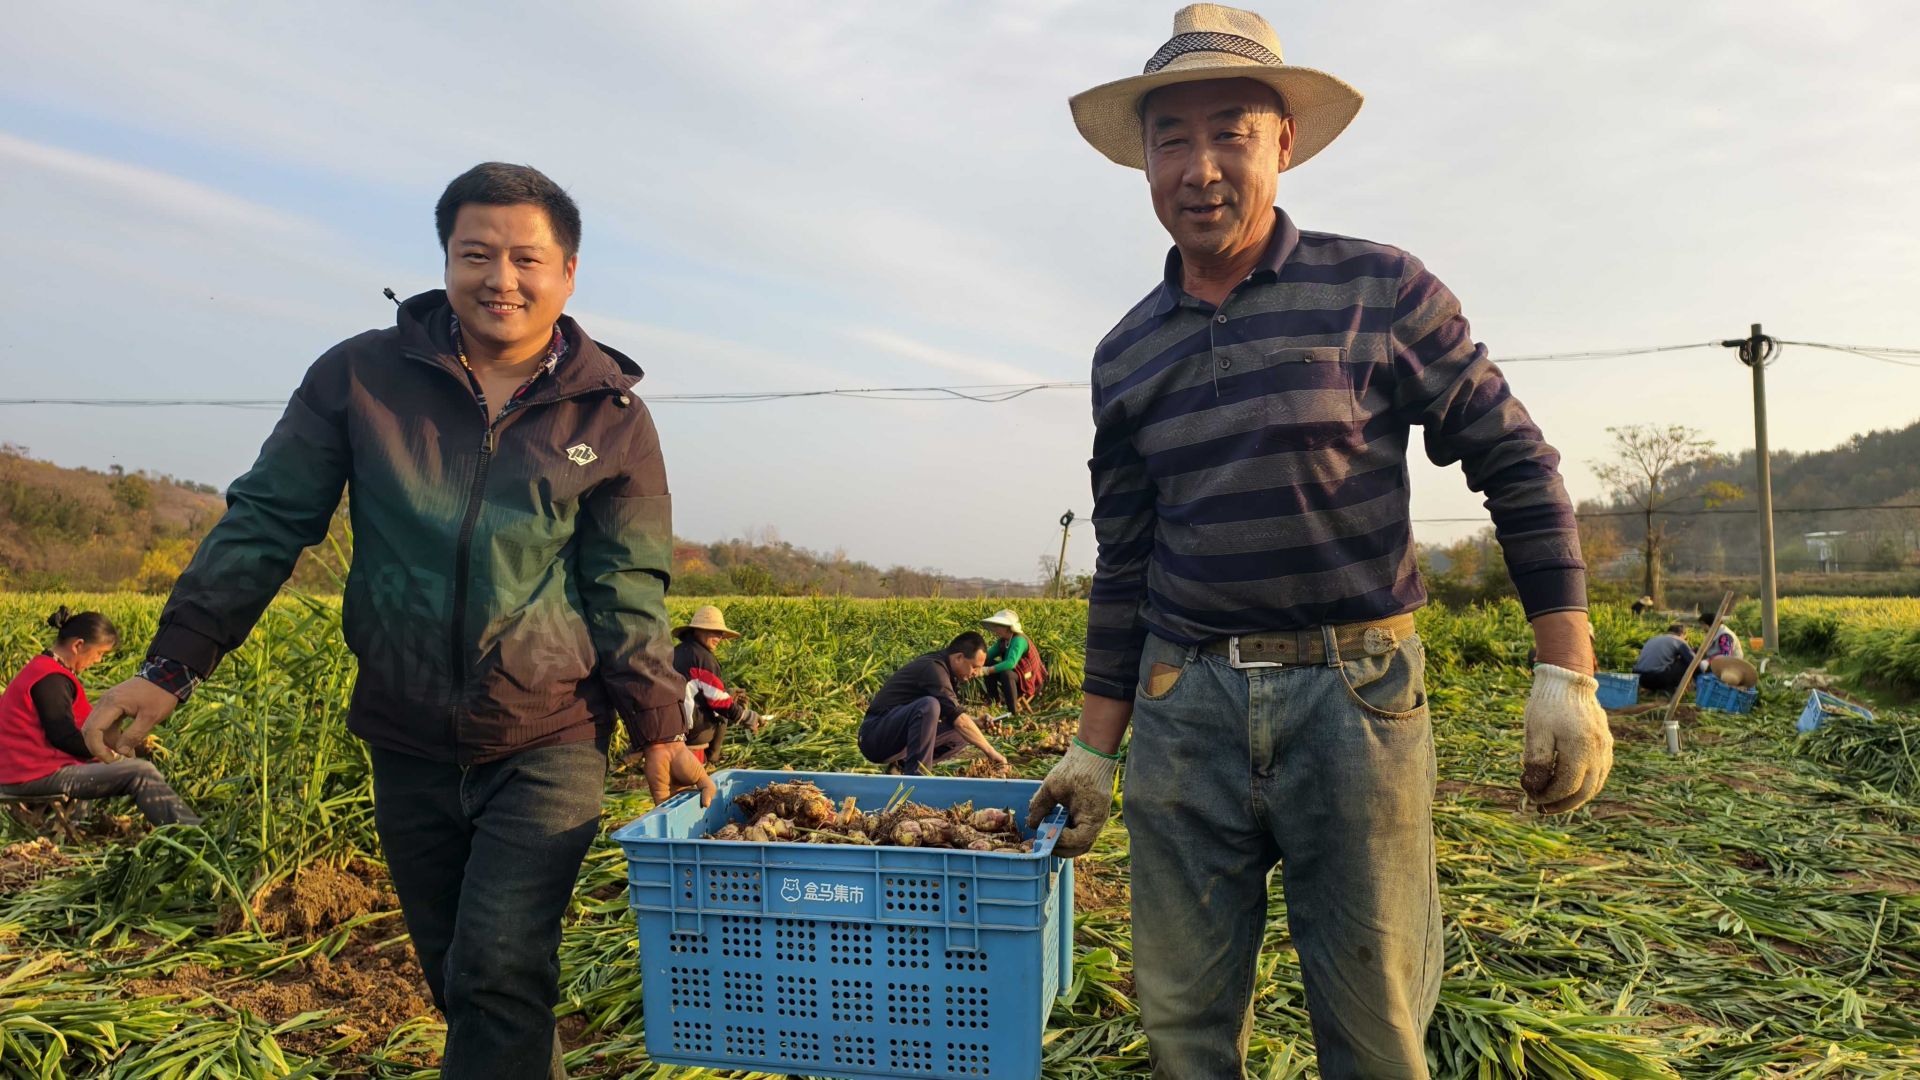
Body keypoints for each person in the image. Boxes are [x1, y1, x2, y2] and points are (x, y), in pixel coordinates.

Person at [1028, 8, 1612, 1077]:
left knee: (1376, 1026)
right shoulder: (1126, 353)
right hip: (1183, 706)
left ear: (1284, 142)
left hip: (1355, 702)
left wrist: (1565, 670)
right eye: (1172, 139)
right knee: (1182, 1027)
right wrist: (1094, 748)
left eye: (1231, 133)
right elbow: (1125, 563)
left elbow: (1517, 462)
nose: (1200, 168)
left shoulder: (1378, 290)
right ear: (1144, 159)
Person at [78, 163, 710, 1080]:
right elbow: (267, 521)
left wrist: (659, 723)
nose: (501, 278)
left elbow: (628, 586)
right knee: (461, 978)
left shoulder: (611, 417)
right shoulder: (361, 377)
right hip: (405, 733)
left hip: (550, 733)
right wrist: (171, 666)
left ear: (568, 273)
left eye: (526, 258)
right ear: (445, 260)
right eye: (476, 254)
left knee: (499, 968)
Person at [0, 608, 201, 827]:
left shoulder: (44, 669)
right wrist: (109, 751)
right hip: (28, 775)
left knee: (122, 765)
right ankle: (191, 833)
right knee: (141, 773)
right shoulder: (51, 679)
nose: (98, 660)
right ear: (78, 645)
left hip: (23, 770)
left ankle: (83, 823)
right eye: (99, 653)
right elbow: (63, 737)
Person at [859, 631, 1009, 776]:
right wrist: (991, 752)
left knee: (962, 735)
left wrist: (975, 722)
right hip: (874, 737)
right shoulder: (934, 669)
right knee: (929, 705)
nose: (976, 673)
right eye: (974, 667)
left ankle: (901, 766)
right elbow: (958, 720)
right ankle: (918, 777)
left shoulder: (948, 672)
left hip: (896, 739)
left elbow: (952, 714)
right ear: (959, 658)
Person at [669, 605, 764, 766]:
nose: (719, 637)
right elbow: (719, 703)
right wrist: (746, 716)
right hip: (687, 730)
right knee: (722, 714)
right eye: (713, 631)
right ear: (698, 630)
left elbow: (697, 689)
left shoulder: (677, 651)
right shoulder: (703, 658)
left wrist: (728, 693)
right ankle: (712, 760)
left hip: (668, 723)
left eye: (720, 633)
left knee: (726, 702)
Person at [980, 609, 1047, 715]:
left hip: (1029, 676)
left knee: (1006, 674)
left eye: (998, 626)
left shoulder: (1019, 640)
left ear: (1007, 627)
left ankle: (1013, 712)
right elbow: (988, 655)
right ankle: (994, 703)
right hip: (1017, 672)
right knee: (987, 662)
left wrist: (987, 670)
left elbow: (1011, 663)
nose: (995, 629)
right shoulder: (1003, 641)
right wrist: (975, 663)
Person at [1633, 623, 1695, 693]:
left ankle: (1651, 689)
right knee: (1687, 660)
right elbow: (1694, 661)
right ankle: (1678, 689)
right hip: (1658, 679)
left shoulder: (1652, 639)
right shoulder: (1679, 640)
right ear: (1682, 634)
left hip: (1639, 679)